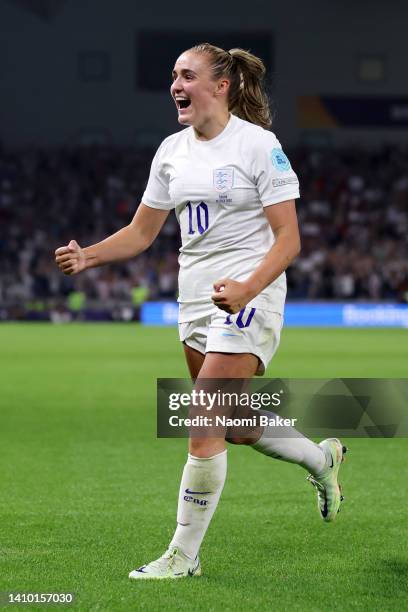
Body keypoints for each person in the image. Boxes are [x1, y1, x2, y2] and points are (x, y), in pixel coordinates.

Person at [55, 42, 346, 580]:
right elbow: (143, 232)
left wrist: (249, 287)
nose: (175, 85)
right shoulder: (171, 150)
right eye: (172, 76)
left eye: (186, 75)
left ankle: (182, 557)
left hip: (248, 296)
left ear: (221, 86)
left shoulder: (258, 145)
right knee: (232, 425)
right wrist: (88, 255)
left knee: (205, 415)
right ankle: (321, 459)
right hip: (194, 302)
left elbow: (288, 240)